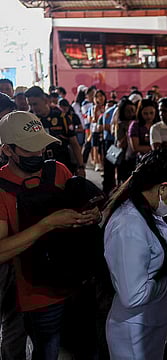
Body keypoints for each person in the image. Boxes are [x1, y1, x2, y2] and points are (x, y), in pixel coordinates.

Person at [0, 111, 100, 360]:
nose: (38, 155)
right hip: (25, 291)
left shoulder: (58, 171)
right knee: (30, 348)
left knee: (67, 348)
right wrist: (46, 225)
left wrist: (90, 216)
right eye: (29, 149)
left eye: (41, 147)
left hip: (65, 284)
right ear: (8, 150)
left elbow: (80, 211)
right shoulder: (1, 187)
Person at [103, 149, 167, 360]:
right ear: (164, 188)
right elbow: (133, 295)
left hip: (150, 325)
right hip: (133, 334)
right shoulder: (128, 225)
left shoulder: (148, 213)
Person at [25, 86, 86, 177]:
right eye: (30, 105)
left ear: (45, 100)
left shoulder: (62, 118)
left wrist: (80, 167)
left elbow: (74, 143)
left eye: (35, 104)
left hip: (62, 163)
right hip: (40, 166)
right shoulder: (29, 121)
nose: (33, 108)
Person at [127, 99, 159, 163]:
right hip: (141, 160)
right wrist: (155, 148)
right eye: (145, 113)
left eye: (151, 113)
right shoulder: (135, 125)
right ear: (140, 113)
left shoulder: (158, 124)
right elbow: (136, 147)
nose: (149, 116)